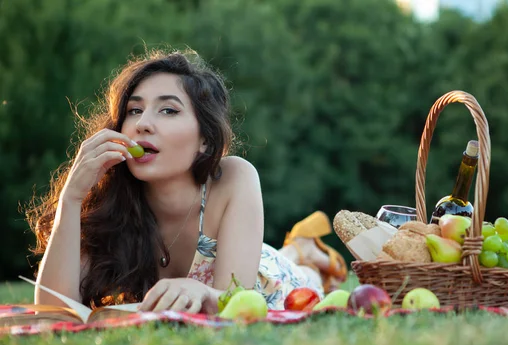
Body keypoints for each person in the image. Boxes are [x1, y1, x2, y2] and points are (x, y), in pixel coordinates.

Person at [25, 49, 347, 314]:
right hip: (242, 256)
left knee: (301, 273)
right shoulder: (111, 202)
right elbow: (53, 312)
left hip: (269, 281)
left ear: (204, 141)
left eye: (167, 110)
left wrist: (201, 291)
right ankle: (297, 249)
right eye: (134, 110)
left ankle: (304, 254)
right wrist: (72, 197)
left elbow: (235, 301)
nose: (143, 124)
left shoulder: (234, 178)